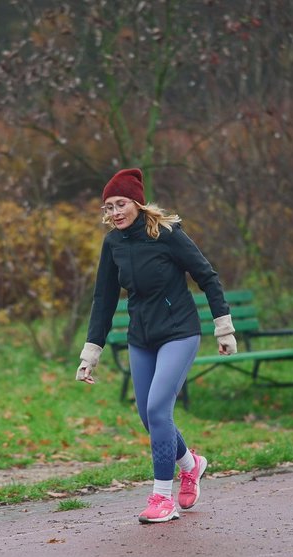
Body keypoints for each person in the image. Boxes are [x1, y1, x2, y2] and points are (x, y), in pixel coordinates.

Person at [75, 167, 235, 523]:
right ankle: (191, 465)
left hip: (180, 332)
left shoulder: (167, 234)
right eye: (109, 207)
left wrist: (223, 328)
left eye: (121, 204)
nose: (115, 212)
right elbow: (103, 300)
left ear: (138, 203)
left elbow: (207, 277)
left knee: (159, 409)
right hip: (141, 337)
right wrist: (91, 353)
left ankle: (162, 498)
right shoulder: (113, 244)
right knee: (148, 417)